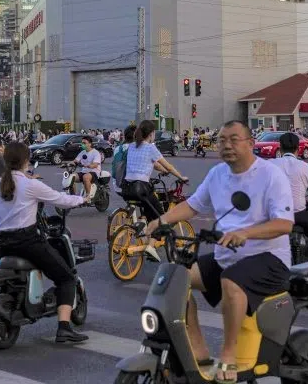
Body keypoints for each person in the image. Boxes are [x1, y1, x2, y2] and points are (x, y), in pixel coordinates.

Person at [145, 121, 293, 383]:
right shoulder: (217, 174)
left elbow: (284, 224)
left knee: (231, 281)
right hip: (228, 256)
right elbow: (192, 205)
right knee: (178, 278)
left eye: (234, 139)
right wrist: (159, 222)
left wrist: (245, 233)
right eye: (222, 140)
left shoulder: (271, 175)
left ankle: (229, 353)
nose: (226, 145)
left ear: (250, 142)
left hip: (269, 259)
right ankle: (198, 349)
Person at [0, 142, 88, 344]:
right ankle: (64, 328)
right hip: (28, 242)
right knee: (66, 278)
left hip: (2, 243)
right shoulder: (31, 184)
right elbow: (60, 199)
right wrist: (81, 200)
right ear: (26, 161)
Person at [123, 120, 187, 261]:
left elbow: (154, 164)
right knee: (162, 218)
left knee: (150, 213)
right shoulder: (150, 148)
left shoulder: (131, 147)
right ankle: (151, 246)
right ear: (151, 134)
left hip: (127, 188)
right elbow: (168, 166)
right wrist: (181, 177)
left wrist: (162, 170)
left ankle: (143, 228)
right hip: (142, 188)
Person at [271, 132, 308, 268]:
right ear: (298, 149)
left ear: (280, 148)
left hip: (276, 216)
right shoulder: (306, 167)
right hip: (299, 216)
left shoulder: (269, 166)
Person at [73, 135, 102, 201]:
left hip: (94, 172)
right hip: (84, 172)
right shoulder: (82, 152)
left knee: (85, 177)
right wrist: (67, 164)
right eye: (82, 143)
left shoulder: (96, 153)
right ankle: (73, 197)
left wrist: (88, 165)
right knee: (71, 177)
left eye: (84, 143)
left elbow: (95, 165)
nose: (82, 144)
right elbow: (75, 161)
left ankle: (88, 197)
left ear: (90, 144)